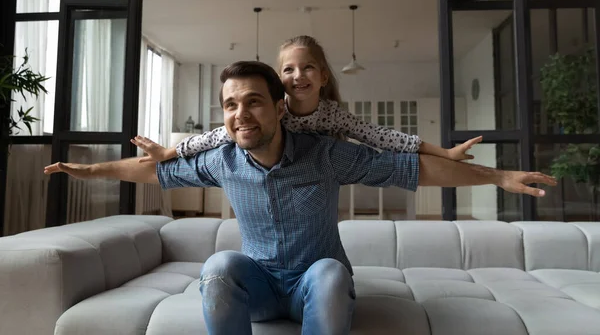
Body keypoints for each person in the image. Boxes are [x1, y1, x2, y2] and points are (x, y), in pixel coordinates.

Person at [45, 61, 556, 335]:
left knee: (331, 272)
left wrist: (496, 177)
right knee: (220, 264)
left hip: (319, 286)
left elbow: (413, 168)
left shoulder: (326, 153)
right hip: (263, 290)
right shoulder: (221, 159)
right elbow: (152, 169)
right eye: (229, 105)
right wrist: (86, 169)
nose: (240, 114)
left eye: (253, 102)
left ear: (279, 109)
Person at [132, 35, 482, 165]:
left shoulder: (334, 115)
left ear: (323, 76)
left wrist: (446, 153)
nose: (298, 76)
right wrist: (168, 152)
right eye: (288, 70)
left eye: (308, 68)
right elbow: (215, 135)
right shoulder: (273, 113)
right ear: (279, 79)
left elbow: (386, 137)